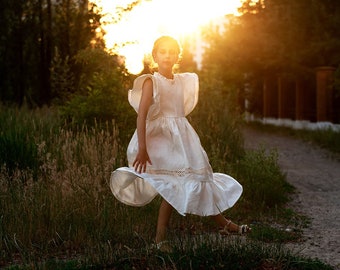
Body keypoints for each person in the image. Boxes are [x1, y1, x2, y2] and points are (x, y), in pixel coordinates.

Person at [110, 36, 250, 249]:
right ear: (155, 55)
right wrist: (143, 148)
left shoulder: (183, 81)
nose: (167, 55)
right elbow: (142, 115)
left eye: (172, 51)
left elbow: (179, 112)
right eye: (163, 51)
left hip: (183, 138)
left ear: (178, 56)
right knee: (173, 185)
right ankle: (160, 240)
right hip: (161, 142)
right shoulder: (151, 81)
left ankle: (224, 224)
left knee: (200, 179)